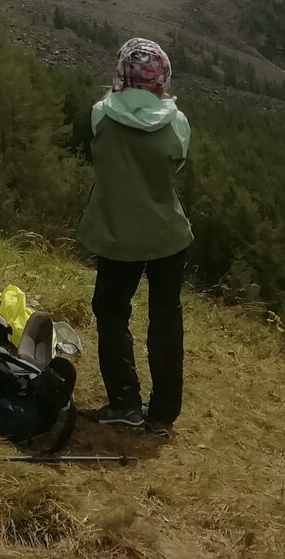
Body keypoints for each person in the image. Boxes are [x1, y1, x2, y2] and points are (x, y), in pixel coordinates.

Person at [76, 37, 192, 436]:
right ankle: (162, 415)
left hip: (116, 233)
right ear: (162, 78)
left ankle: (125, 402)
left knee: (110, 312)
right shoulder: (175, 122)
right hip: (166, 234)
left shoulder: (100, 115)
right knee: (165, 320)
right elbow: (175, 165)